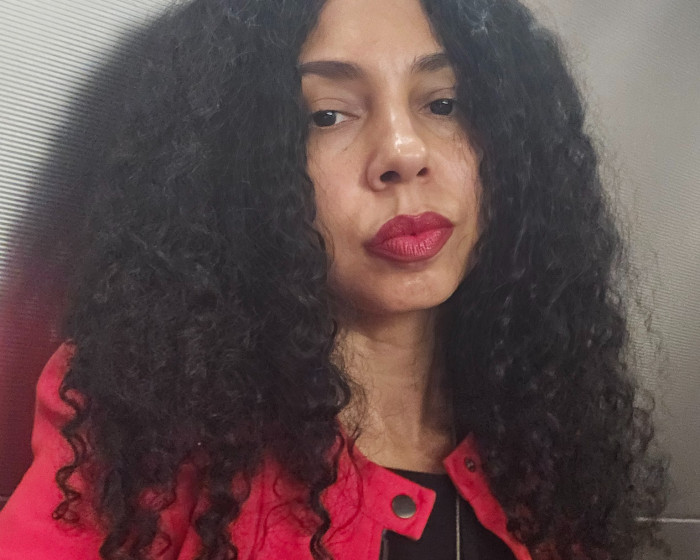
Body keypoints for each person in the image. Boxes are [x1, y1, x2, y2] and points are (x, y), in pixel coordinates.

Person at [0, 0, 667, 558]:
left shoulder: (550, 434)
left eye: (443, 103)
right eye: (327, 115)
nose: (404, 152)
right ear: (241, 167)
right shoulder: (143, 414)